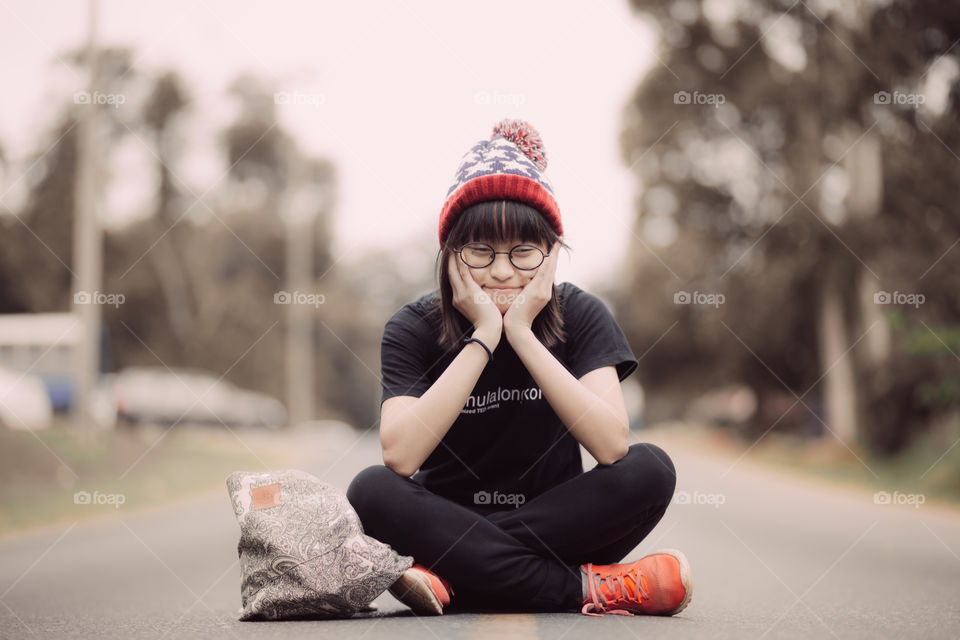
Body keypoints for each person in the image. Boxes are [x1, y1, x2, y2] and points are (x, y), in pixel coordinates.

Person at [346, 119, 692, 617]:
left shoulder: (581, 314)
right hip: (448, 520)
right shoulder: (412, 328)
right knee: (371, 490)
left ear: (551, 254)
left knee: (651, 468)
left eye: (524, 252)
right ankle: (588, 589)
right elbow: (400, 456)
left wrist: (525, 336)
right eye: (481, 250)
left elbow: (612, 443)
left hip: (553, 529)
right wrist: (483, 336)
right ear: (449, 255)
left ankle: (454, 576)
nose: (503, 271)